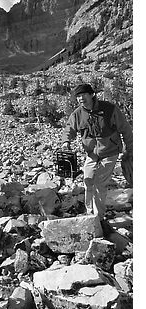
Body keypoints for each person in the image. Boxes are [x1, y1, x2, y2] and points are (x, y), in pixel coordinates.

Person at [61, 83, 133, 223]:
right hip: (92, 154)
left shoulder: (109, 109)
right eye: (78, 96)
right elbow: (69, 129)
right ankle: (89, 213)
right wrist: (66, 142)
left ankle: (98, 218)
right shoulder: (77, 114)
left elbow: (125, 129)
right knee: (88, 180)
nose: (80, 99)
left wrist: (130, 150)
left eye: (83, 95)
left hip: (110, 152)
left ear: (92, 94)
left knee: (100, 183)